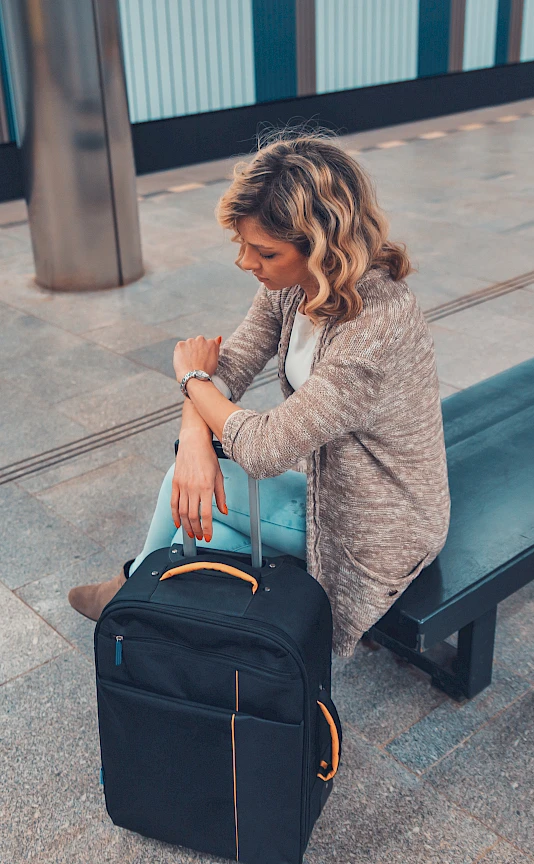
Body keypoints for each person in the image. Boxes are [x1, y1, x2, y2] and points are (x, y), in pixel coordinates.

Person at [68, 126, 451, 658]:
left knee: (196, 503)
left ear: (321, 246)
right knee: (207, 533)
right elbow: (228, 368)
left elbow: (265, 449)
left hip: (382, 525)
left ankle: (131, 594)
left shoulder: (376, 326)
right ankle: (151, 615)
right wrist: (193, 436)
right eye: (243, 244)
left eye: (263, 252)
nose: (246, 263)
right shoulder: (295, 286)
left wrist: (192, 384)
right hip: (329, 493)